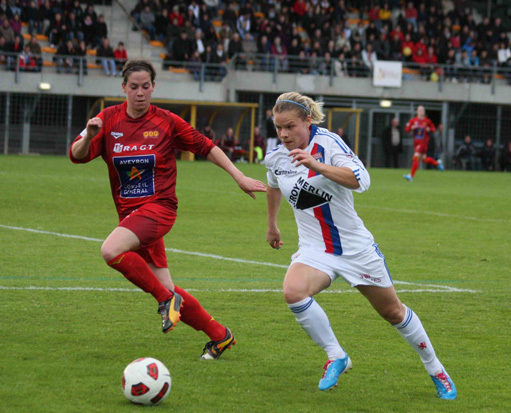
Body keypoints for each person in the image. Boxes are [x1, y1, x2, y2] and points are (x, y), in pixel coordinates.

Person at [69, 58, 266, 360]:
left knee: (110, 250)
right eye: (133, 86)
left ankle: (165, 301)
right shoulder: (106, 119)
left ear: (153, 87)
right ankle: (220, 335)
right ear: (123, 87)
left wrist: (238, 176)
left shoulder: (167, 121)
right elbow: (76, 155)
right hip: (132, 219)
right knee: (168, 285)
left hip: (159, 209)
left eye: (145, 86)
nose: (140, 92)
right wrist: (91, 135)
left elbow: (206, 146)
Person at [264, 92, 457, 399]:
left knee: (393, 312)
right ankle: (336, 355)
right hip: (316, 249)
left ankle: (436, 370)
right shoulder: (276, 156)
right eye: (278, 128)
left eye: (290, 126)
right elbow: (273, 183)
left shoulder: (328, 144)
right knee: (293, 291)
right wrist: (272, 224)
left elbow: (361, 179)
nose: (284, 134)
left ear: (307, 121)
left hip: (355, 249)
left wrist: (318, 165)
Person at [403, 105, 443, 181]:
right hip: (416, 143)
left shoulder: (427, 121)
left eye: (422, 110)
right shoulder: (413, 120)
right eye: (419, 110)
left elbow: (433, 129)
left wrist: (429, 129)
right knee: (424, 159)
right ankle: (437, 163)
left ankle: (411, 176)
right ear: (417, 111)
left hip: (423, 143)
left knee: (416, 156)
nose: (421, 112)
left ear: (424, 112)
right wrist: (411, 128)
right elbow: (407, 129)